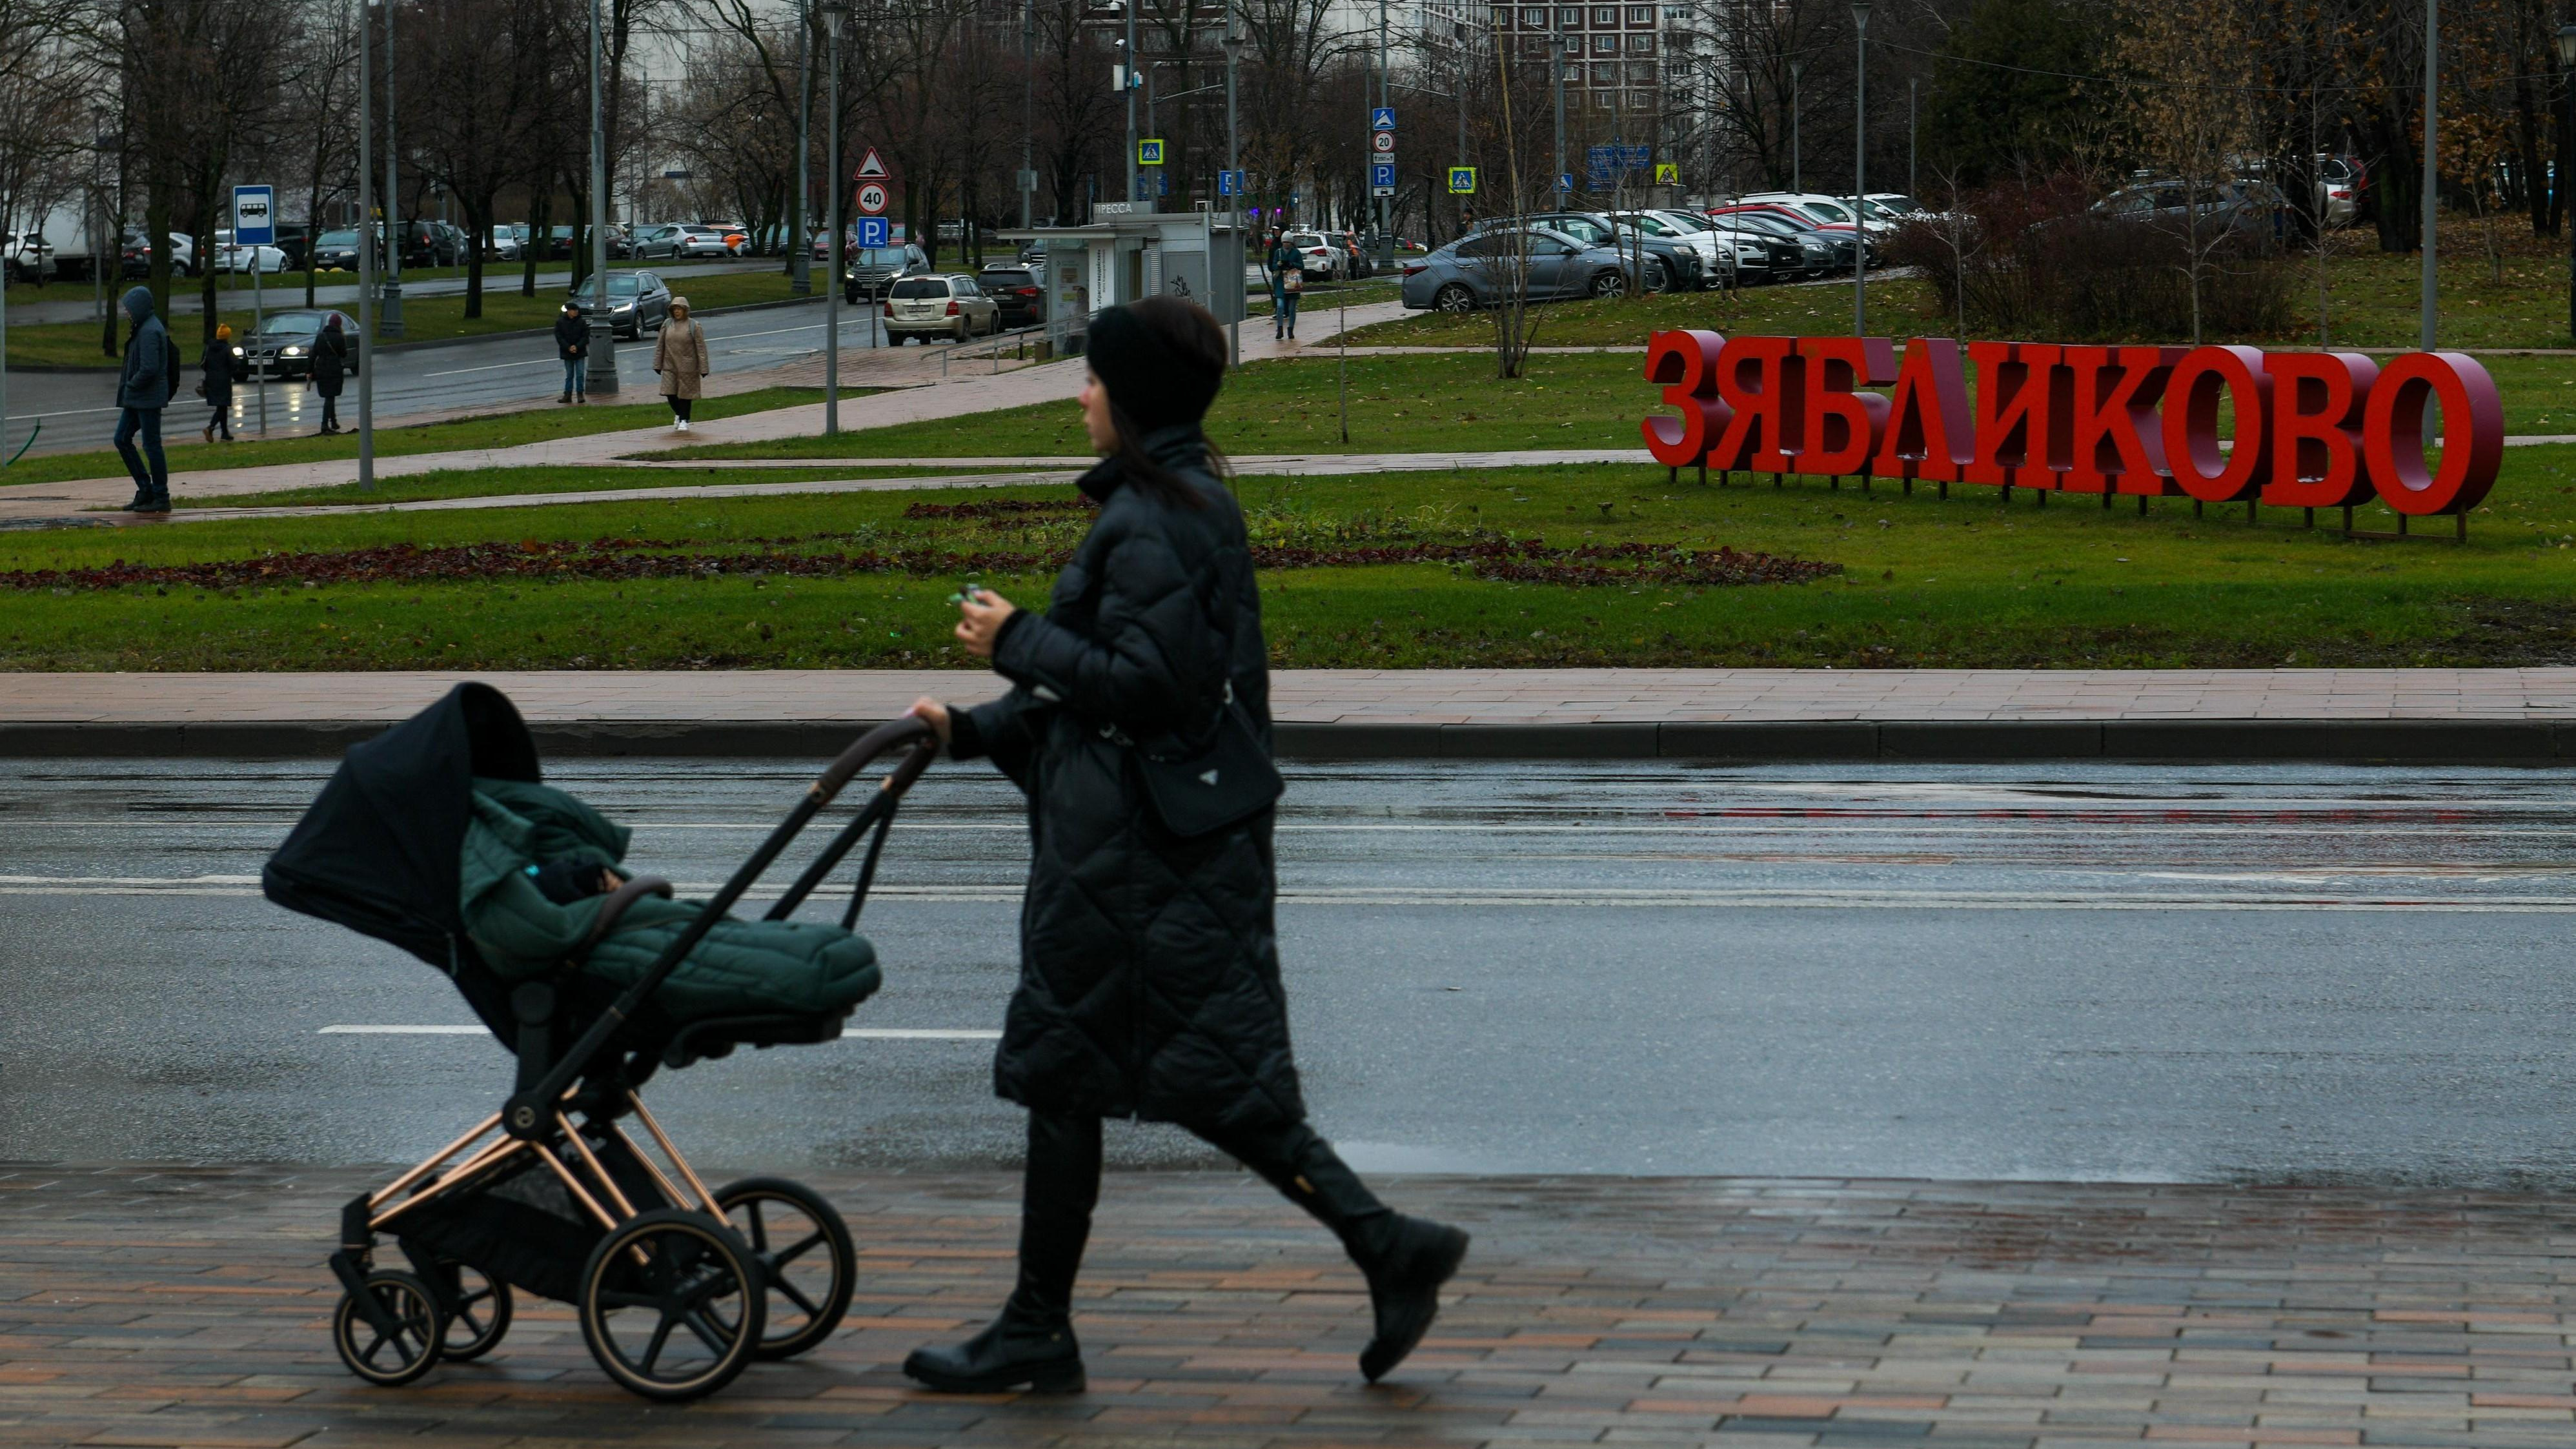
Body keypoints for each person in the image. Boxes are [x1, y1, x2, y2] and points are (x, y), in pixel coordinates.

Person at [898, 296, 1468, 1397]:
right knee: (1154, 1082)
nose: (1081, 395)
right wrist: (971, 730)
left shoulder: (1158, 518)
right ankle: (1378, 1250)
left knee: (1150, 1082)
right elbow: (1109, 692)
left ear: (1133, 395)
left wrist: (1013, 637)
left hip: (1140, 866)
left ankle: (1046, 1325)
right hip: (1142, 854)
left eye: (1093, 379)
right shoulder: (1167, 503)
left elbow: (1145, 688)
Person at [111, 285, 176, 514]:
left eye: (129, 308)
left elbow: (149, 368)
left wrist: (131, 384)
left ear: (138, 308)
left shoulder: (149, 331)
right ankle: (145, 488)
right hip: (137, 398)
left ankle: (161, 495)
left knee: (152, 445)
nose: (126, 312)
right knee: (121, 439)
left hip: (147, 398)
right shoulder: (143, 327)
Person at [651, 294, 707, 431]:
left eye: (679, 309)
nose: (677, 311)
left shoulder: (694, 325)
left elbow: (701, 348)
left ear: (685, 310)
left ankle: (684, 420)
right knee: (669, 393)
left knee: (685, 394)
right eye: (674, 309)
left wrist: (704, 368)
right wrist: (657, 364)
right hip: (669, 364)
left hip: (687, 365)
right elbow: (660, 346)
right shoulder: (667, 324)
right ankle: (679, 413)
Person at [310, 314, 347, 434]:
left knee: (329, 396)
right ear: (339, 324)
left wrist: (308, 370)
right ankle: (324, 424)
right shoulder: (339, 337)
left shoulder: (321, 336)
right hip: (334, 369)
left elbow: (313, 354)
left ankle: (334, 422)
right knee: (330, 397)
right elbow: (343, 354)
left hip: (321, 369)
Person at [199, 323, 236, 443]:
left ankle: (225, 433)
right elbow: (234, 364)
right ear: (227, 336)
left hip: (210, 379)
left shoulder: (209, 347)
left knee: (222, 406)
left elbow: (203, 363)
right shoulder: (227, 348)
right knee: (222, 406)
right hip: (224, 381)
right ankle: (210, 427)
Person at [1265, 228, 1302, 341]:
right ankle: (1280, 329)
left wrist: (1291, 264)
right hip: (1281, 282)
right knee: (1280, 306)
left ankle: (1290, 329)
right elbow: (1273, 265)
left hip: (1292, 283)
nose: (1286, 244)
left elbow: (1301, 266)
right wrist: (1279, 265)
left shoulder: (1296, 253)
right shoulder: (1278, 252)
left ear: (1291, 243)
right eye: (1284, 242)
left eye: (1288, 242)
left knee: (1291, 308)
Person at [554, 301, 588, 404]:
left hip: (579, 351)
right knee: (569, 374)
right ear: (568, 311)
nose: (576, 312)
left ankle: (580, 394)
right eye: (573, 310)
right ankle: (567, 395)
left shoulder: (582, 322)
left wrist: (577, 346)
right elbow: (559, 337)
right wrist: (568, 347)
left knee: (580, 374)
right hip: (567, 352)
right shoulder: (561, 322)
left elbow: (585, 336)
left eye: (577, 310)